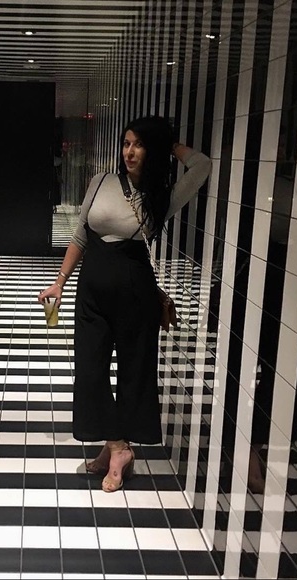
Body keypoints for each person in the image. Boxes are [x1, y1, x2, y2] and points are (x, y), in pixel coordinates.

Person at [38, 115, 211, 492]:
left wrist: (169, 143)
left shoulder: (162, 195)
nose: (129, 152)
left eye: (139, 145)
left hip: (136, 294)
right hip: (91, 291)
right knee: (90, 368)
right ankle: (117, 445)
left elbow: (202, 166)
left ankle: (116, 448)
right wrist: (59, 282)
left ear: (153, 151)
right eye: (126, 143)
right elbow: (80, 234)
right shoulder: (100, 181)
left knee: (134, 371)